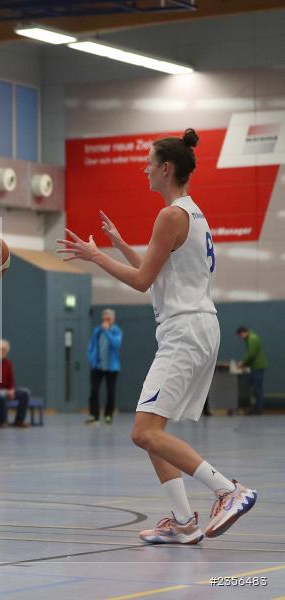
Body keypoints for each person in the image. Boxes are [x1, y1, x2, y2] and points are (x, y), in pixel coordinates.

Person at [58, 128, 258, 545]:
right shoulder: (190, 213)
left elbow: (141, 280)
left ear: (166, 168)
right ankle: (184, 522)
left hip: (185, 331)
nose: (144, 170)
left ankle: (228, 490)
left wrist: (96, 256)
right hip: (195, 326)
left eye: (149, 163)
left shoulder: (170, 215)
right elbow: (157, 274)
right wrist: (115, 247)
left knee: (144, 432)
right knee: (153, 428)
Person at [86, 309, 122, 425]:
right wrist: (91, 358)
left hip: (112, 368)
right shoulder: (97, 331)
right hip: (97, 366)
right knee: (94, 391)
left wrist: (107, 332)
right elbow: (91, 345)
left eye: (109, 318)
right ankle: (94, 416)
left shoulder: (116, 331)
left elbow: (116, 344)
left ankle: (108, 415)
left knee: (111, 392)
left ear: (113, 319)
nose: (106, 320)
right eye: (105, 318)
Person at [236, 326, 267, 415]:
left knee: (256, 389)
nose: (241, 338)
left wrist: (242, 363)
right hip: (257, 366)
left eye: (240, 336)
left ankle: (258, 409)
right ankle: (258, 408)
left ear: (243, 332)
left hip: (257, 367)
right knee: (258, 388)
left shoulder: (252, 339)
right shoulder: (253, 337)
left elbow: (251, 354)